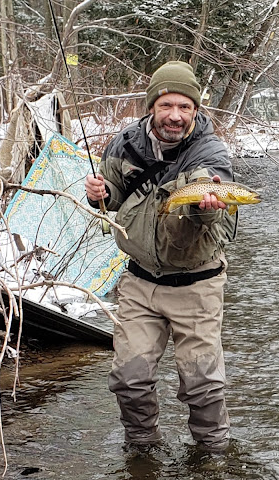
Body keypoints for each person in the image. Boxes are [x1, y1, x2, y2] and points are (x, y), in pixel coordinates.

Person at [84, 61, 237, 453]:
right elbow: (114, 193)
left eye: (185, 107)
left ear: (196, 110)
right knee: (129, 379)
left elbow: (211, 206)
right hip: (139, 281)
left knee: (203, 385)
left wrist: (205, 206)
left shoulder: (209, 152)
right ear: (152, 105)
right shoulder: (125, 144)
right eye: (167, 105)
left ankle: (212, 457)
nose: (175, 115)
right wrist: (101, 194)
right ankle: (142, 451)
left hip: (197, 284)